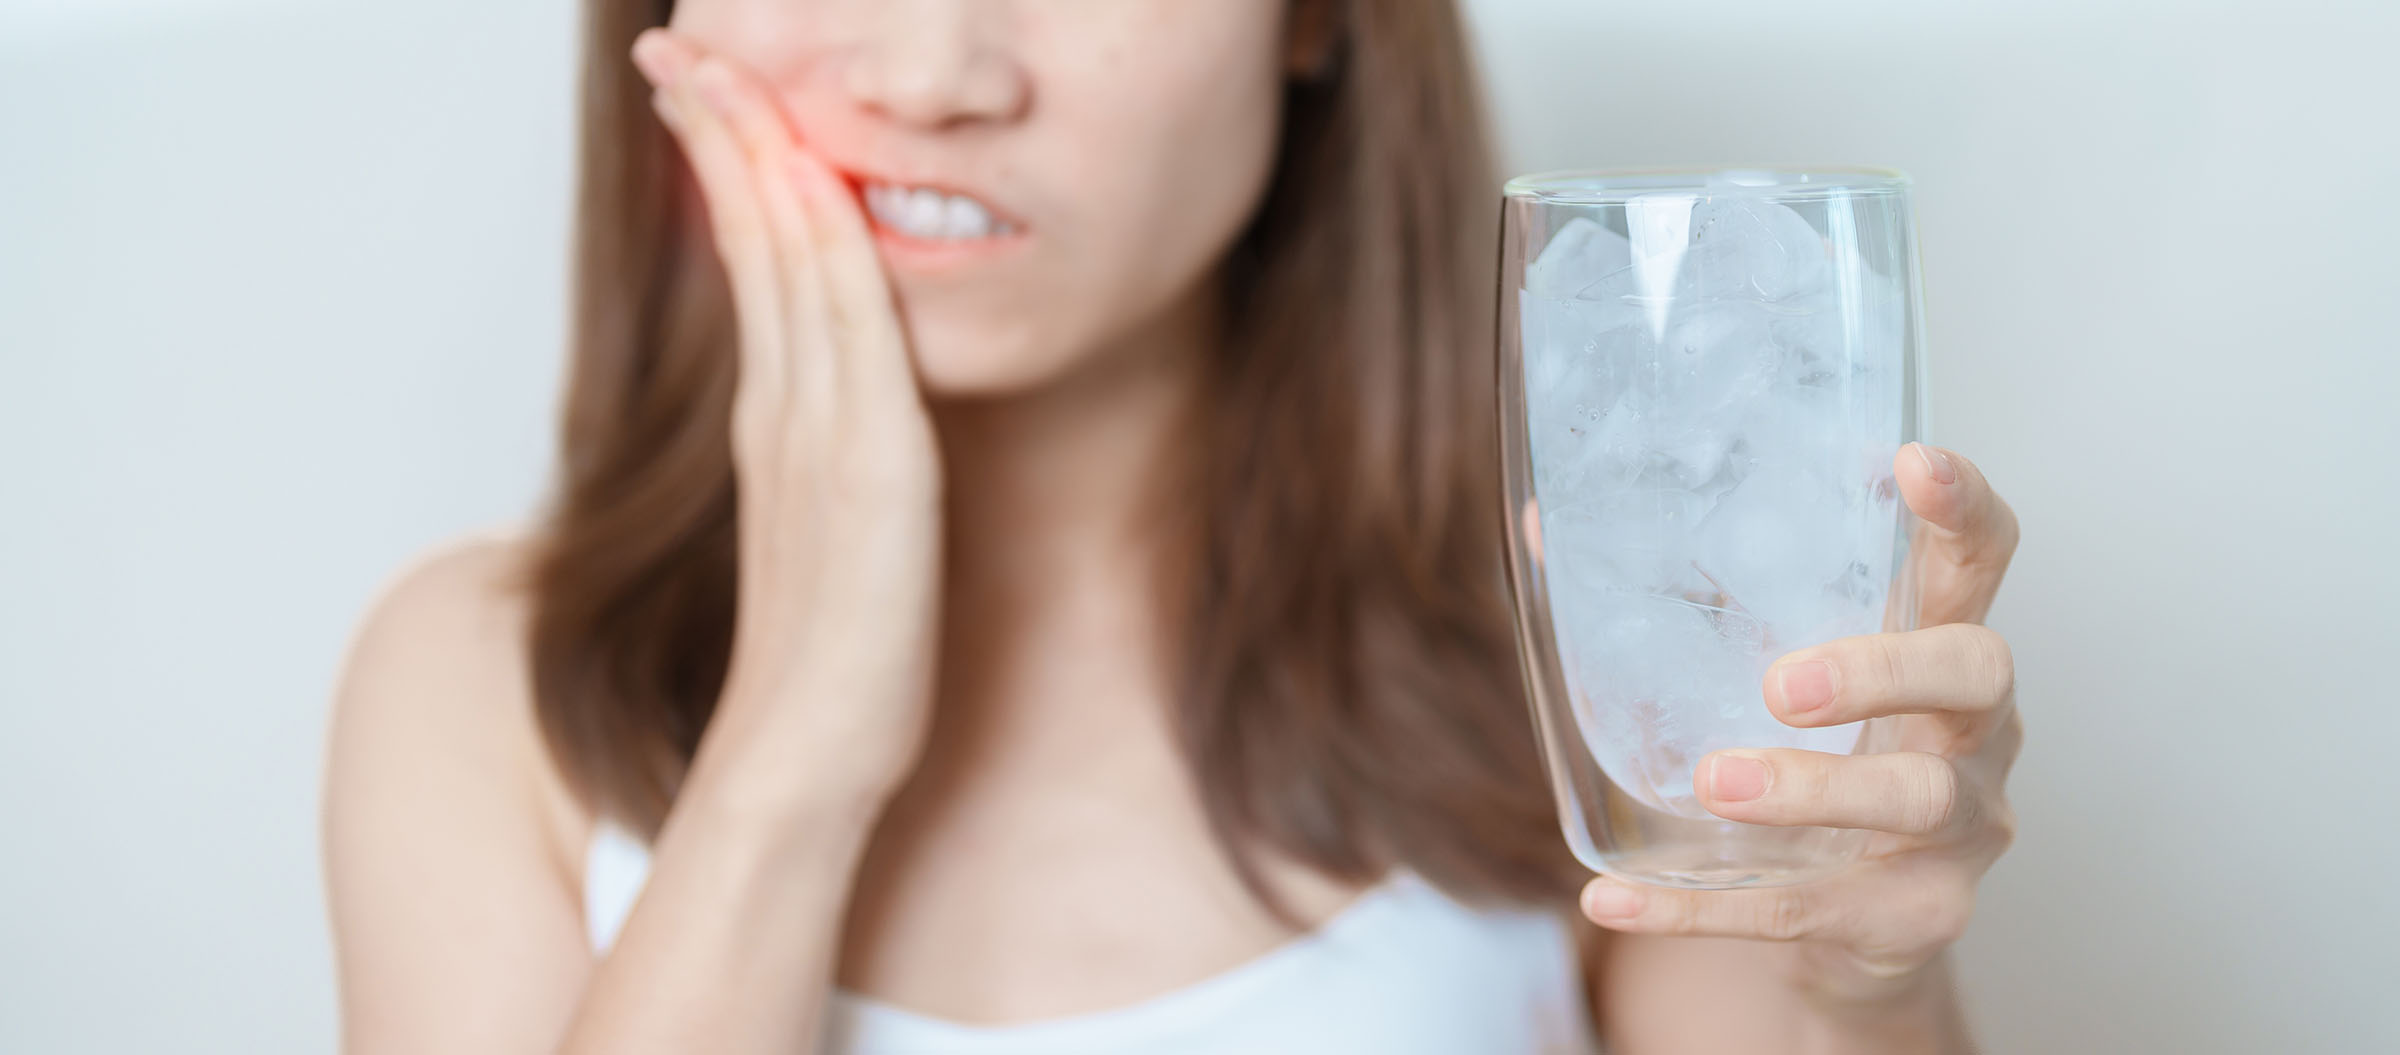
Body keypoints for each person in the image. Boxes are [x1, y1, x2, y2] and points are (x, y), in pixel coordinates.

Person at [322, 1, 2023, 1051]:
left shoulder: (1600, 643)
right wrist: (793, 757)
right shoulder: (478, 690)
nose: (934, 71)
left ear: (1313, 16)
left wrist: (1869, 995)